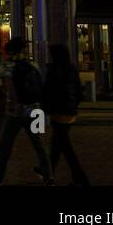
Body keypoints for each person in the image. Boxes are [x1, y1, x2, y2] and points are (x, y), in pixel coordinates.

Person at [0, 38, 53, 185]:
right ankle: (49, 175)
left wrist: (13, 102)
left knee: (6, 144)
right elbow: (41, 85)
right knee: (38, 144)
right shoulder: (34, 65)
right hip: (34, 110)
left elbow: (7, 86)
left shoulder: (7, 66)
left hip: (15, 112)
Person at [42, 43, 90, 186]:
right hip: (69, 112)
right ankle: (48, 173)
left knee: (64, 147)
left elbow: (48, 91)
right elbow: (79, 92)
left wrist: (46, 108)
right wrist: (74, 105)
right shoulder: (72, 69)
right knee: (58, 144)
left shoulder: (53, 70)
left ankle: (80, 177)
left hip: (58, 113)